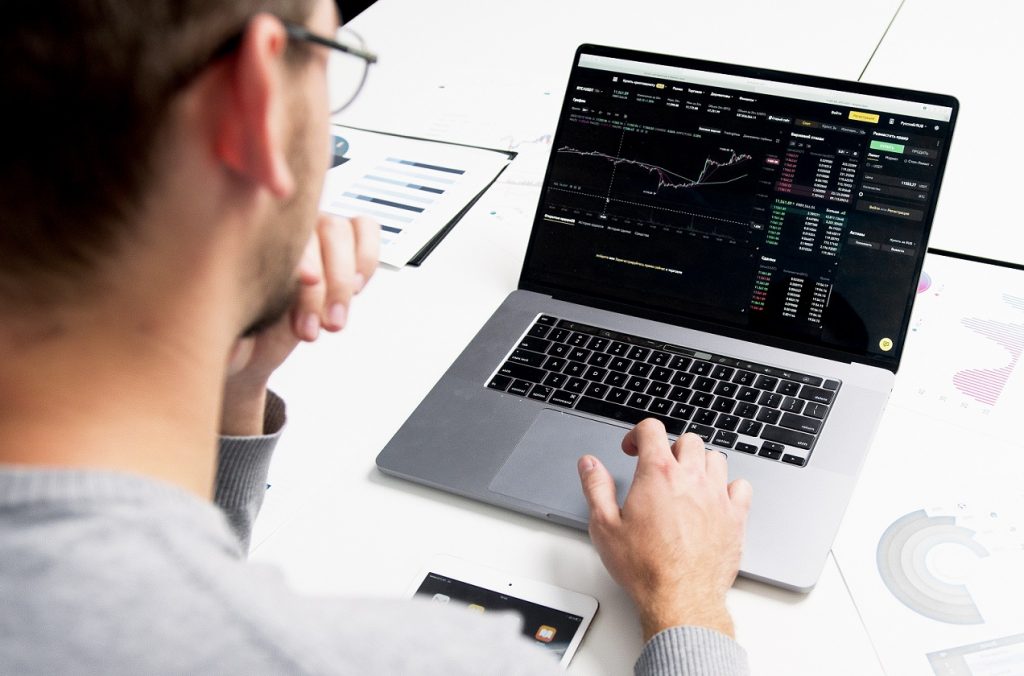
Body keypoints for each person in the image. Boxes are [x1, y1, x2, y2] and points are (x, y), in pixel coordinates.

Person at [0, 0, 753, 673]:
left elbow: (140, 601)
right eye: (334, 63)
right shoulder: (425, 658)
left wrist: (227, 396)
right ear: (254, 102)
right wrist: (686, 598)